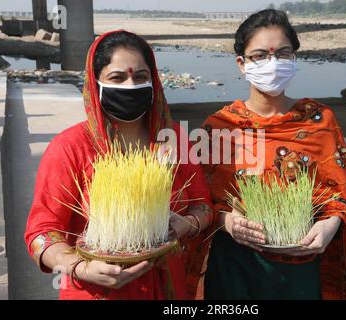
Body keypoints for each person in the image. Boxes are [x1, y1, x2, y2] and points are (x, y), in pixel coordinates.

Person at [199, 9, 346, 300]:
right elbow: (202, 203)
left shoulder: (320, 121)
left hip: (302, 268)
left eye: (283, 53)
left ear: (294, 58)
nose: (273, 63)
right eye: (260, 56)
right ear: (241, 64)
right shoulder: (220, 127)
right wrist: (227, 222)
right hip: (236, 267)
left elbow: (343, 197)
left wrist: (330, 225)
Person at [24, 30, 213, 300]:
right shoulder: (70, 148)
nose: (130, 85)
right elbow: (41, 233)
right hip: (96, 292)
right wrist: (80, 267)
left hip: (168, 289)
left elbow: (203, 206)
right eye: (117, 77)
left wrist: (186, 223)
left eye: (140, 77)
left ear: (153, 80)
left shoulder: (174, 140)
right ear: (96, 82)